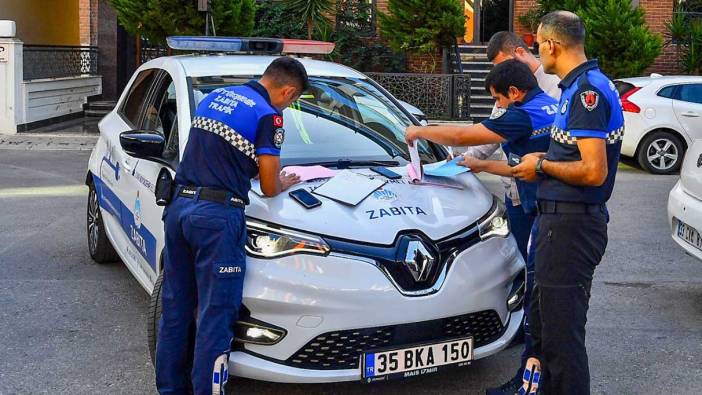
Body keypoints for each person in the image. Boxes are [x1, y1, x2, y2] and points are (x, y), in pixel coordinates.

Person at [155, 57, 307, 395]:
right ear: (288, 90)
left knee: (176, 309)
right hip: (217, 219)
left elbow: (216, 153)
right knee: (215, 315)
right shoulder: (269, 115)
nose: (288, 104)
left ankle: (170, 390)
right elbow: (268, 186)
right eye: (292, 100)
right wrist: (281, 181)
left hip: (180, 208)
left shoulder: (215, 97)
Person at [512, 11, 624, 394]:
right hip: (560, 223)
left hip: (571, 227)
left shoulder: (586, 93)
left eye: (537, 44)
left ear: (551, 45)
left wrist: (541, 163)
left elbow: (594, 171)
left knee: (562, 339)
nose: (535, 51)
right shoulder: (575, 88)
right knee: (548, 330)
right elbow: (571, 156)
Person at [405, 57, 556, 247]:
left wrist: (418, 131)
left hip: (546, 208)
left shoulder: (522, 115)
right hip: (558, 203)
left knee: (537, 270)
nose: (498, 106)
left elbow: (461, 136)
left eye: (498, 99)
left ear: (514, 92)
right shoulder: (550, 104)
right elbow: (521, 165)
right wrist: (479, 164)